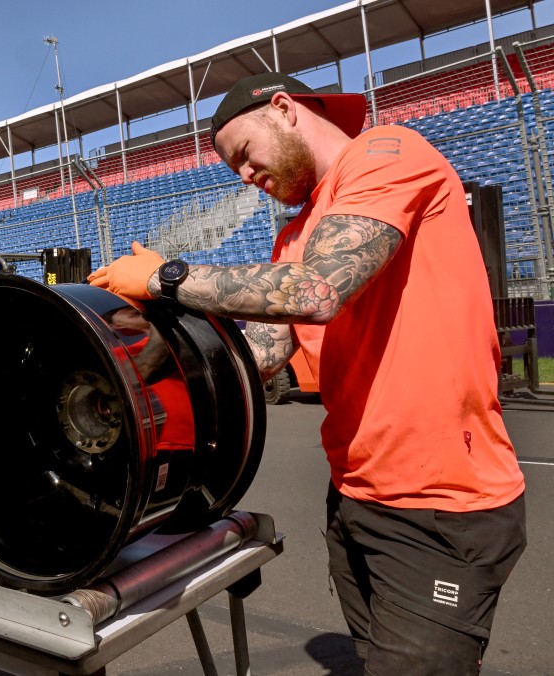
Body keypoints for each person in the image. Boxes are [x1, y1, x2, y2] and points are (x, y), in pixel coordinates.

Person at [88, 73, 526, 675]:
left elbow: (315, 292)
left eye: (245, 153)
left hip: (441, 504)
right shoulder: (295, 233)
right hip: (355, 494)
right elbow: (259, 354)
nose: (245, 176)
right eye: (233, 168)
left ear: (285, 109)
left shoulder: (386, 153)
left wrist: (170, 279)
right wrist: (150, 361)